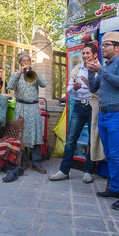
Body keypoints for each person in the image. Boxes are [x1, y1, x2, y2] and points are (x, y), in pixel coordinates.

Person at [87, 31, 119, 211]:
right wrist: (91, 72)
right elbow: (93, 87)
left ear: (117, 47)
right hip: (104, 114)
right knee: (109, 153)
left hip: (117, 114)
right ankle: (115, 188)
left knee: (116, 154)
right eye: (103, 44)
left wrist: (99, 70)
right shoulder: (105, 66)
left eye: (106, 45)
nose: (103, 47)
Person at [49, 43, 98, 183]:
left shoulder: (99, 70)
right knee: (71, 140)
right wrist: (75, 88)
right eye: (83, 53)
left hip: (92, 106)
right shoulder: (77, 70)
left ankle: (88, 171)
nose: (85, 56)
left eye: (88, 53)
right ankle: (64, 170)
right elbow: (69, 90)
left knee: (92, 140)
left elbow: (102, 92)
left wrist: (90, 85)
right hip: (78, 106)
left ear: (94, 55)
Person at [8, 51, 47, 174]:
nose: (26, 63)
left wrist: (35, 72)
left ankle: (37, 163)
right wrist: (19, 73)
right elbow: (9, 86)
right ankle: (23, 162)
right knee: (22, 134)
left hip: (33, 107)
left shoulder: (34, 74)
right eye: (23, 61)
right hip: (21, 107)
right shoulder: (16, 75)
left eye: (28, 60)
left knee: (35, 133)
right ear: (20, 63)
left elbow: (44, 84)